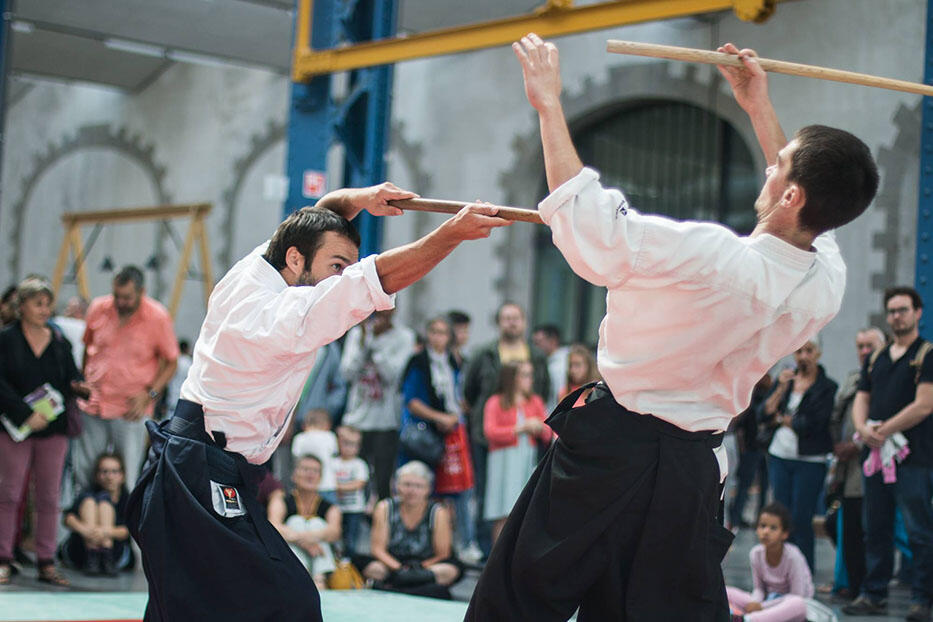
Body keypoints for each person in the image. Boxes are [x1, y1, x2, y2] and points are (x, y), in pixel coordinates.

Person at [466, 35, 878, 621]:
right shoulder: (824, 285)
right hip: (691, 467)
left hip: (610, 448)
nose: (771, 165)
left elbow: (591, 230)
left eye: (779, 166)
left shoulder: (711, 255)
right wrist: (756, 104)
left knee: (520, 596)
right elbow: (813, 207)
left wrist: (548, 102)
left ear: (788, 194)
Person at [125, 182, 510, 621]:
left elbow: (318, 216)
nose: (341, 277)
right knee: (289, 602)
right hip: (200, 470)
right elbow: (377, 279)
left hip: (199, 460)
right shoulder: (283, 316)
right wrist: (452, 234)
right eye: (337, 265)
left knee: (186, 608)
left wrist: (358, 199)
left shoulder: (254, 271)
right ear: (296, 259)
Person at [845, 286, 933, 619]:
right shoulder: (877, 357)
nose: (897, 316)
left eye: (903, 309)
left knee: (919, 530)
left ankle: (923, 598)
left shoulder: (927, 354)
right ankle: (874, 593)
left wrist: (883, 429)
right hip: (878, 458)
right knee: (876, 527)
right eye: (892, 310)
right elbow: (861, 398)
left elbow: (925, 404)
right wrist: (863, 427)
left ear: (918, 312)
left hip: (916, 460)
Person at [0, 276, 90, 586]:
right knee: (9, 494)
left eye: (47, 303)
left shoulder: (58, 340)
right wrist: (26, 414)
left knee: (50, 496)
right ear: (21, 305)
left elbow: (70, 377)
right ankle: (4, 559)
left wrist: (80, 388)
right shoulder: (6, 339)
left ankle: (46, 561)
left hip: (53, 428)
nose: (43, 309)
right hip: (16, 427)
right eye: (37, 303)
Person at [74, 266, 179, 488]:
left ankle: (125, 521)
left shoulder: (157, 316)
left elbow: (171, 362)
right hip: (94, 404)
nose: (120, 302)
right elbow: (87, 347)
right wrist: (84, 379)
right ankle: (88, 519)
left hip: (131, 408)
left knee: (129, 478)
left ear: (142, 291)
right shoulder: (98, 308)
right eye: (117, 296)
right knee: (85, 474)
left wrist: (149, 394)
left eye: (127, 298)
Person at [462, 301, 550, 551]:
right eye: (506, 318)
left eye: (516, 318)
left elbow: (543, 389)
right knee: (487, 491)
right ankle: (483, 548)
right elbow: (469, 391)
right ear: (499, 322)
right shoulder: (485, 352)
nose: (512, 322)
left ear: (524, 322)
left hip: (526, 444)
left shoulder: (536, 355)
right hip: (489, 437)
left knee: (521, 495)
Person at [399, 315, 480, 562]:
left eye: (443, 332)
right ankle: (418, 541)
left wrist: (457, 411)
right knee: (423, 487)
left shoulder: (453, 361)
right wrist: (439, 417)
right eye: (433, 331)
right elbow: (411, 401)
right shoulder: (418, 362)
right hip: (425, 434)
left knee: (459, 488)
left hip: (452, 432)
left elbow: (456, 394)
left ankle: (459, 543)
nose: (438, 337)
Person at [760, 337, 837, 571]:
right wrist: (781, 387)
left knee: (801, 519)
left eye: (809, 350)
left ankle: (803, 574)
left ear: (818, 354)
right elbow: (763, 414)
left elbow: (814, 423)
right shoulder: (785, 381)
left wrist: (782, 419)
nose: (803, 356)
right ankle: (781, 572)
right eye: (799, 351)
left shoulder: (827, 387)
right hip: (779, 457)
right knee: (780, 520)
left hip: (809, 461)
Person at [826, 327, 885, 599]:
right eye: (860, 346)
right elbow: (837, 417)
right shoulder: (853, 379)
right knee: (846, 527)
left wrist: (858, 443)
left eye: (869, 346)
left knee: (871, 531)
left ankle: (872, 588)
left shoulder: (890, 377)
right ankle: (855, 584)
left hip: (878, 464)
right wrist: (837, 445)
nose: (864, 352)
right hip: (847, 468)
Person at [341, 308, 415, 501]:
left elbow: (393, 376)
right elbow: (347, 373)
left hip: (386, 420)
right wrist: (364, 343)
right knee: (355, 476)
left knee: (382, 481)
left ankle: (380, 523)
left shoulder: (404, 337)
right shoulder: (358, 334)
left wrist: (375, 345)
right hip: (357, 419)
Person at [361, 460, 463, 599]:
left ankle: (397, 587)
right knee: (373, 568)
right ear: (397, 486)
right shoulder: (385, 507)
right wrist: (398, 568)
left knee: (449, 571)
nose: (412, 491)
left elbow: (443, 553)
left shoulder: (438, 512)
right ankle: (415, 587)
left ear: (428, 489)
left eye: (418, 486)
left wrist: (418, 570)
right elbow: (377, 549)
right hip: (392, 564)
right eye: (407, 484)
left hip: (425, 565)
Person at [483, 360, 552, 545]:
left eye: (530, 374)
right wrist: (520, 428)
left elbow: (549, 431)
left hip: (527, 458)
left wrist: (538, 427)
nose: (530, 379)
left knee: (525, 509)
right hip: (502, 459)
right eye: (525, 375)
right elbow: (490, 432)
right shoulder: (495, 402)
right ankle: (497, 556)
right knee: (502, 509)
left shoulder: (535, 401)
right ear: (512, 378)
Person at [726, 502, 813, 622]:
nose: (766, 532)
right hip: (767, 602)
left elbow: (797, 595)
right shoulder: (756, 554)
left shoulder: (793, 556)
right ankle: (740, 616)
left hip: (789, 606)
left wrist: (762, 607)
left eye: (773, 528)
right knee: (725, 591)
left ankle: (746, 619)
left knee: (798, 603)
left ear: (784, 534)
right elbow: (759, 589)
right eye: (762, 526)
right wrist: (755, 603)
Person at [268, 454, 342, 590]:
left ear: (320, 477)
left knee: (317, 523)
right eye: (305, 469)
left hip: (320, 559)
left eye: (315, 471)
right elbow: (273, 526)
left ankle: (319, 579)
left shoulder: (331, 507)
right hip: (290, 563)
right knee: (295, 521)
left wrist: (302, 538)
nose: (310, 475)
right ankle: (308, 577)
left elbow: (334, 532)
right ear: (294, 475)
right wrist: (304, 543)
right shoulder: (281, 500)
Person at [60, 452, 133, 575]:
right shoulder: (87, 495)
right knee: (90, 502)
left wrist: (104, 532)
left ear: (122, 475)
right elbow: (68, 518)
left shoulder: (127, 499)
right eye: (104, 472)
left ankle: (105, 554)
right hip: (82, 550)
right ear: (97, 475)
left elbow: (129, 530)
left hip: (115, 551)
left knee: (105, 505)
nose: (109, 477)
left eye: (114, 472)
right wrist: (87, 531)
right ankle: (93, 555)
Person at [729, 374, 774, 529]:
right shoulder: (751, 398)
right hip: (752, 447)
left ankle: (757, 518)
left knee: (760, 484)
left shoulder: (767, 397)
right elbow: (740, 426)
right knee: (746, 484)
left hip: (761, 447)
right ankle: (736, 517)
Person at [333, 425, 369, 557]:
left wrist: (337, 487)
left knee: (352, 539)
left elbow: (359, 484)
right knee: (337, 537)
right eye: (346, 443)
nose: (349, 448)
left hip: (354, 508)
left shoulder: (359, 464)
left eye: (353, 444)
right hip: (337, 508)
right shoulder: (334, 462)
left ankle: (350, 562)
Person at [291, 409, 338, 501]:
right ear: (327, 425)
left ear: (304, 425)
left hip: (304, 485)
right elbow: (334, 454)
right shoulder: (330, 437)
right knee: (330, 511)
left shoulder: (299, 438)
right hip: (327, 483)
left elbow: (295, 457)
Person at [532, 324, 569, 412]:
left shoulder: (560, 366)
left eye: (538, 342)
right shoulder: (546, 362)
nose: (535, 347)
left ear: (552, 341)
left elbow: (558, 397)